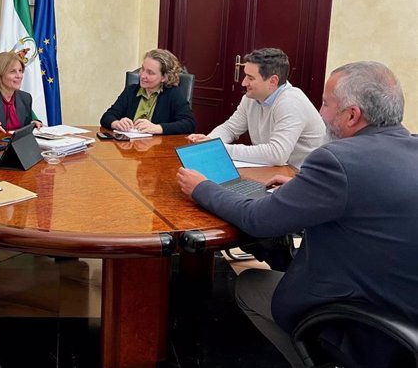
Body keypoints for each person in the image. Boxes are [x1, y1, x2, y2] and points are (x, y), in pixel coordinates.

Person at [177, 61, 418, 367]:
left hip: (365, 330)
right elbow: (373, 198)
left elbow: (259, 220)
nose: (320, 113)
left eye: (326, 104)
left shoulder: (337, 160)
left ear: (353, 115)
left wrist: (202, 187)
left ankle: (316, 359)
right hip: (407, 315)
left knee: (250, 285)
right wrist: (304, 188)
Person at [188, 48, 324, 169]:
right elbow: (230, 128)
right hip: (275, 173)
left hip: (301, 178)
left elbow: (276, 154)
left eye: (250, 78)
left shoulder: (291, 102)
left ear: (273, 81)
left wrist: (219, 148)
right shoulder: (251, 97)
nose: (243, 82)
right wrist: (209, 141)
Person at [100, 48, 196, 135]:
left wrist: (157, 128)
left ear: (164, 77)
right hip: (129, 149)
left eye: (150, 73)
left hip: (157, 149)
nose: (142, 76)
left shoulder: (173, 94)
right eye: (142, 69)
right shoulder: (131, 91)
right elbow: (107, 117)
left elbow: (189, 124)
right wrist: (116, 123)